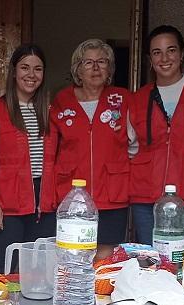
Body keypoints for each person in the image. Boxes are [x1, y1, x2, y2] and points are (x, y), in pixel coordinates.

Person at [128, 25, 184, 245]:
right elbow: (129, 147)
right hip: (146, 196)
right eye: (157, 52)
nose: (164, 58)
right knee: (149, 261)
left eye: (171, 50)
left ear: (182, 54)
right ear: (150, 58)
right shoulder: (139, 98)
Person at [0, 44, 56, 273]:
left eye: (38, 69)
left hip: (45, 203)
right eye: (25, 67)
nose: (31, 75)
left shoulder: (50, 111)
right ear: (14, 71)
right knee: (5, 269)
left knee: (40, 271)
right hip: (7, 203)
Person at [50, 39, 132, 260]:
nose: (96, 68)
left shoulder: (123, 99)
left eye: (102, 62)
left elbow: (135, 144)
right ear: (77, 68)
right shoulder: (61, 100)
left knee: (105, 256)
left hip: (112, 191)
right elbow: (51, 148)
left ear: (110, 68)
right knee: (73, 252)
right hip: (72, 194)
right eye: (88, 63)